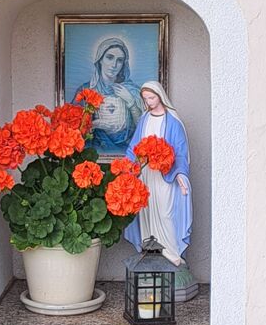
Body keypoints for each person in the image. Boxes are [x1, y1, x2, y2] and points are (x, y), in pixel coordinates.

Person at [124, 81, 193, 272]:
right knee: (146, 212)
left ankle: (172, 253)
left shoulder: (173, 122)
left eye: (152, 97)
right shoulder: (145, 119)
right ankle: (151, 252)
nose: (149, 102)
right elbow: (134, 147)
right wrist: (127, 169)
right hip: (146, 174)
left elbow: (180, 151)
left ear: (160, 96)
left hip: (165, 175)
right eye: (145, 99)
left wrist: (180, 174)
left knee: (165, 213)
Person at [77, 36, 144, 149]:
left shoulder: (131, 90)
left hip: (126, 149)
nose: (114, 65)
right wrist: (94, 124)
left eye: (119, 60)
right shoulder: (86, 90)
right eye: (109, 57)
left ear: (124, 64)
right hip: (96, 149)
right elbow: (74, 129)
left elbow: (143, 127)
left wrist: (131, 102)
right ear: (100, 59)